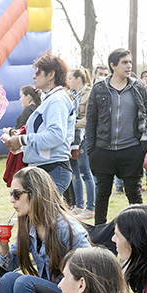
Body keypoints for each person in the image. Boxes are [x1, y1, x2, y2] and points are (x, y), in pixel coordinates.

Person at [85, 48, 147, 224]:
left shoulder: (138, 86)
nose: (129, 66)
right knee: (102, 194)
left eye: (130, 62)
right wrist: (91, 150)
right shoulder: (99, 88)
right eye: (124, 62)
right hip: (103, 150)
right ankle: (99, 235)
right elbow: (91, 120)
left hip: (131, 150)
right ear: (113, 65)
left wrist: (142, 147)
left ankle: (141, 231)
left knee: (134, 195)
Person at [2, 55, 75, 194]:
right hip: (46, 168)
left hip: (52, 169)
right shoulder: (51, 99)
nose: (34, 77)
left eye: (38, 72)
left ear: (51, 75)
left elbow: (56, 135)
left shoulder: (57, 100)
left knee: (47, 215)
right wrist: (20, 138)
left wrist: (22, 140)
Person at [67, 68, 94, 221]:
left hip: (83, 138)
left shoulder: (89, 94)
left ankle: (91, 208)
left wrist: (71, 125)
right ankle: (79, 205)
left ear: (79, 79)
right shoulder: (70, 95)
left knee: (85, 172)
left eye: (70, 78)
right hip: (71, 139)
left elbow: (89, 119)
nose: (68, 81)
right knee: (74, 173)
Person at [2, 85, 42, 187]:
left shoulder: (28, 111)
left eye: (21, 96)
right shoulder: (39, 109)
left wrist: (8, 131)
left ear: (28, 96)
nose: (20, 100)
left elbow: (21, 131)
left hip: (24, 149)